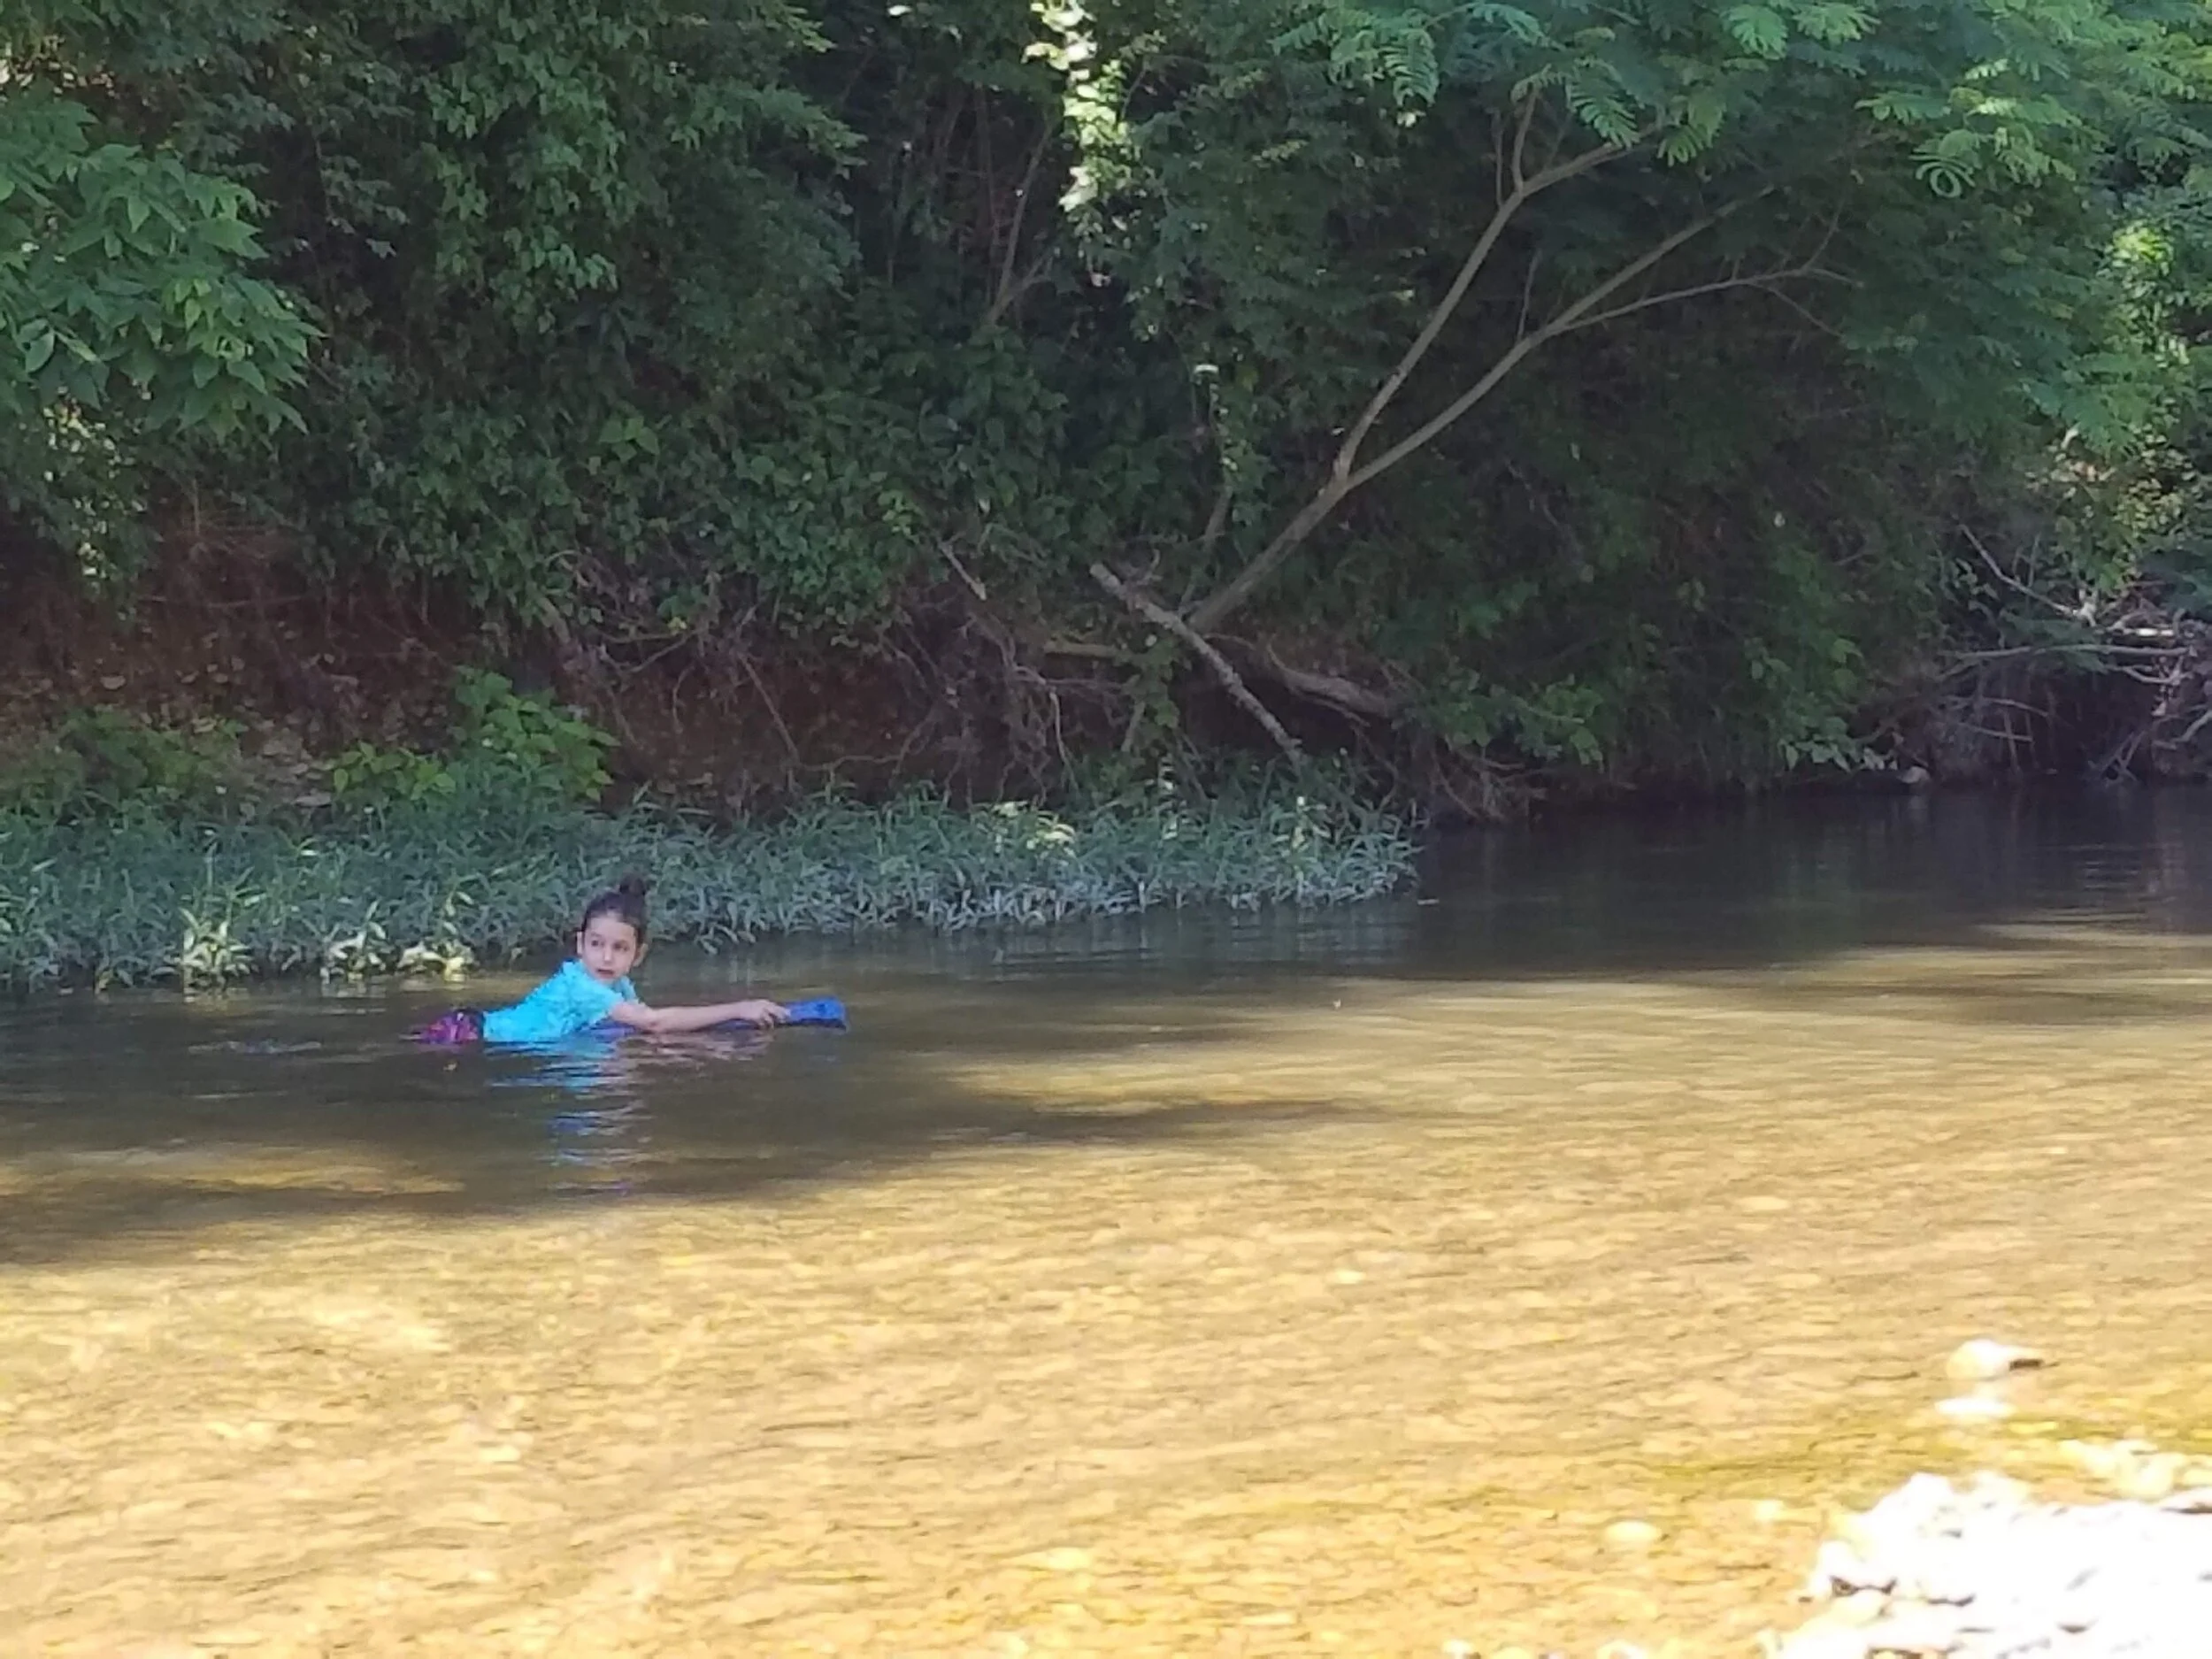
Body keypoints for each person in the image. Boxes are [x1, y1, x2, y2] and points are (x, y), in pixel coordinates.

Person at [415, 877, 787, 1044]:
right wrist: (739, 1008)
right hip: (468, 1037)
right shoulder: (583, 985)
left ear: (638, 954)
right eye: (596, 944)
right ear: (580, 945)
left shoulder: (616, 985)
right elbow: (654, 1023)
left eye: (620, 948)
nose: (606, 957)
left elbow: (647, 1025)